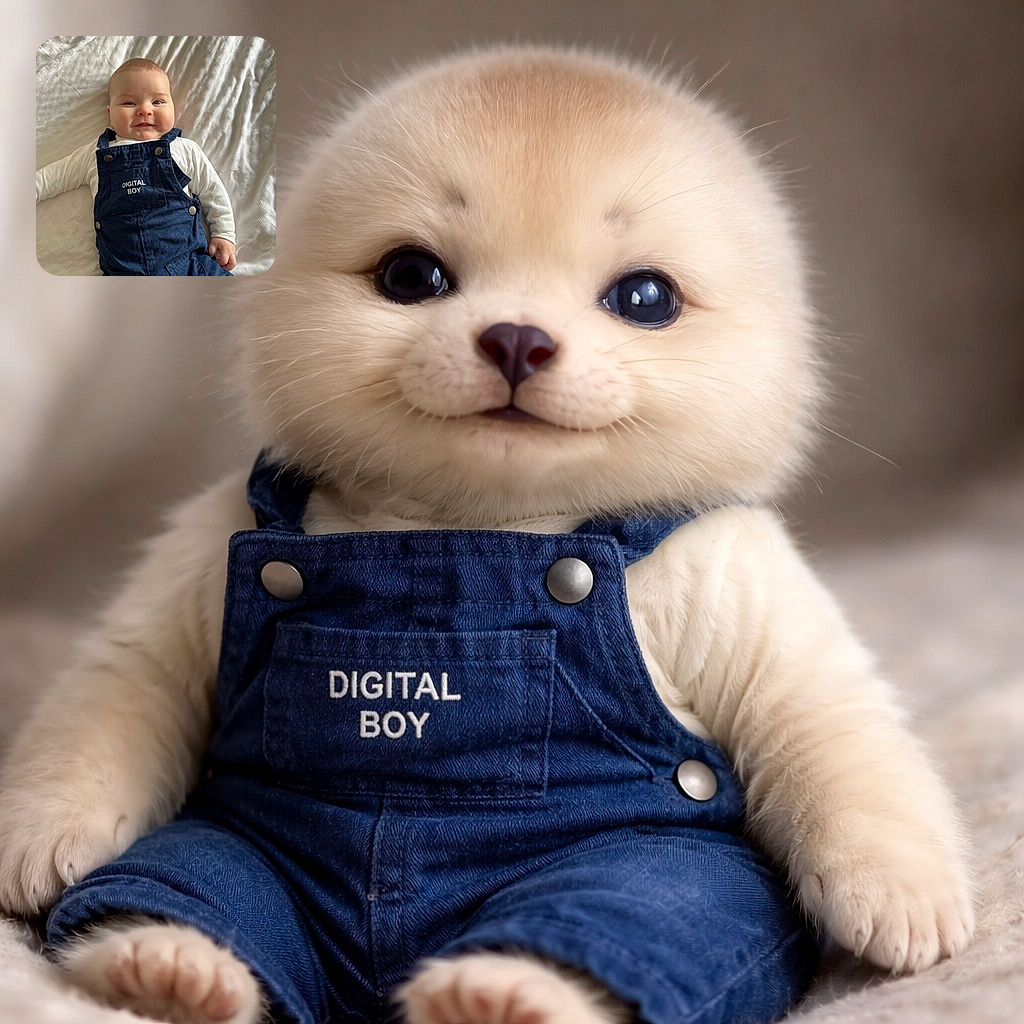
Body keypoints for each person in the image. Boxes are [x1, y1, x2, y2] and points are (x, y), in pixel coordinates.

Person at [36, 58, 236, 276]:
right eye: (129, 103)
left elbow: (212, 191)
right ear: (110, 112)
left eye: (158, 102)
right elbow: (52, 178)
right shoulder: (97, 154)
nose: (144, 110)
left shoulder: (185, 149)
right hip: (123, 271)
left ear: (172, 106)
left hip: (187, 264)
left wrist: (224, 234)